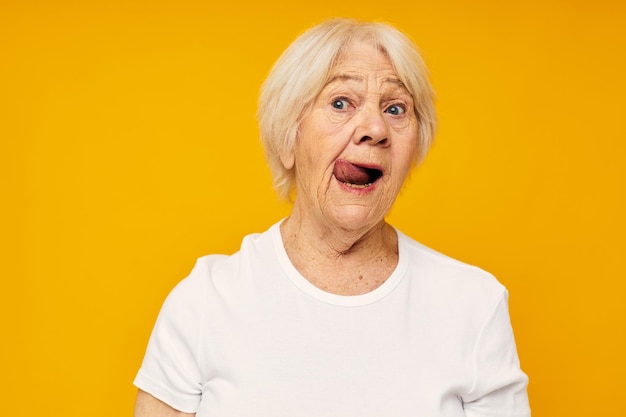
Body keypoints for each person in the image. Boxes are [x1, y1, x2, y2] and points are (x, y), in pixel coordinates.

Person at [134, 18, 530, 417]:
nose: (375, 129)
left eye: (396, 109)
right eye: (341, 102)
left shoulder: (474, 305)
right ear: (289, 138)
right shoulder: (206, 301)